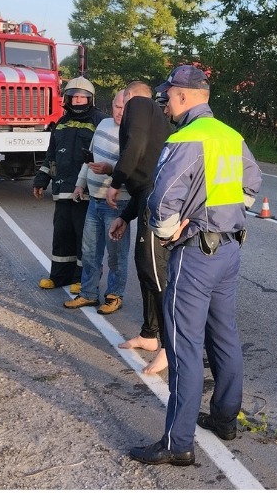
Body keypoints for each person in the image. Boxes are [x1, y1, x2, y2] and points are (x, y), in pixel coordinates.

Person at [129, 65, 263, 466]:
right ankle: (224, 419)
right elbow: (251, 185)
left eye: (168, 96)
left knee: (184, 346)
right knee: (224, 335)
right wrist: (224, 212)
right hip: (229, 250)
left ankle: (177, 443)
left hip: (194, 254)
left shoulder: (185, 138)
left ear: (185, 96)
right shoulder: (230, 135)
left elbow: (162, 197)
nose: (165, 104)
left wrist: (167, 231)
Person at [105, 81, 173, 374]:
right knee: (145, 266)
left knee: (155, 270)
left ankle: (171, 348)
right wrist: (126, 215)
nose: (121, 111)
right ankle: (149, 334)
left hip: (156, 196)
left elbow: (135, 145)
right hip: (147, 194)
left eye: (122, 104)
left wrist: (116, 181)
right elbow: (145, 178)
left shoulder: (141, 104)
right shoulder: (154, 114)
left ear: (129, 96)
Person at [34, 77, 105, 291]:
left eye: (83, 97)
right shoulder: (61, 123)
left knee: (83, 236)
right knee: (62, 234)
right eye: (74, 96)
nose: (78, 100)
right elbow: (51, 154)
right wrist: (41, 178)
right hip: (63, 189)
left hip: (87, 190)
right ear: (67, 98)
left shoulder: (99, 121)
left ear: (91, 99)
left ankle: (81, 279)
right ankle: (59, 276)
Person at [64, 89, 130, 313]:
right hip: (94, 199)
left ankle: (114, 295)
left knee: (116, 255)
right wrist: (80, 184)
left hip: (117, 203)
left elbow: (131, 170)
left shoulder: (134, 133)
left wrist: (110, 170)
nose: (121, 112)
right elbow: (89, 158)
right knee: (90, 251)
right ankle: (89, 293)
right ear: (111, 105)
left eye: (126, 107)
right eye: (117, 107)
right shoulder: (102, 125)